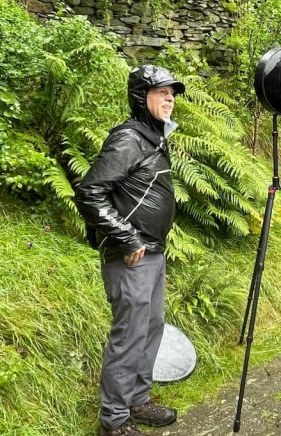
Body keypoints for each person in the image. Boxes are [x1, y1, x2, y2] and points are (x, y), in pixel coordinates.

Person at [75, 65, 185, 436]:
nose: (170, 98)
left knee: (150, 328)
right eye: (161, 92)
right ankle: (114, 420)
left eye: (172, 92)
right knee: (130, 334)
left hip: (153, 253)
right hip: (131, 256)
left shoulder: (153, 137)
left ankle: (137, 400)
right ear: (141, 97)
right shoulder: (128, 139)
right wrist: (127, 237)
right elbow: (90, 192)